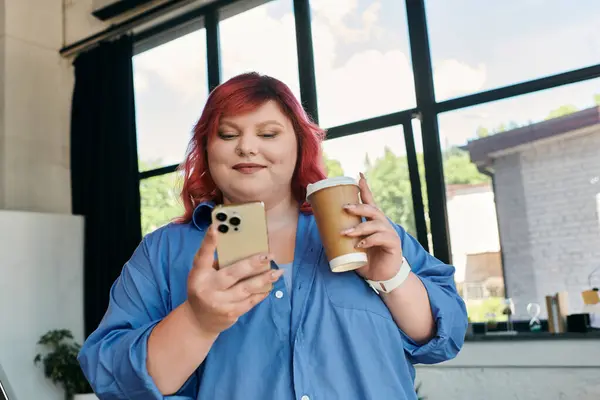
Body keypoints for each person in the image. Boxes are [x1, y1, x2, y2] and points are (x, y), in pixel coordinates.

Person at [78, 72, 468, 400]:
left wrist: (392, 277)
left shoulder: (368, 231)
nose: (247, 146)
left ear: (300, 145)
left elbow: (444, 335)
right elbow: (113, 380)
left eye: (268, 134)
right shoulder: (162, 253)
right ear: (206, 149)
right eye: (228, 134)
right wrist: (198, 321)